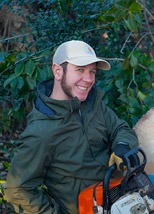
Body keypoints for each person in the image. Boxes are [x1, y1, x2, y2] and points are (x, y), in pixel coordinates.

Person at [4, 40, 139, 213]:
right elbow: (17, 189)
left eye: (92, 71)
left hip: (123, 193)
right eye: (80, 70)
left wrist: (123, 145)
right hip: (90, 207)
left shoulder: (93, 105)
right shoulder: (41, 132)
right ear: (58, 71)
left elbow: (121, 129)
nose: (89, 79)